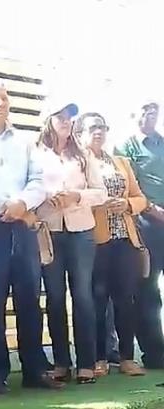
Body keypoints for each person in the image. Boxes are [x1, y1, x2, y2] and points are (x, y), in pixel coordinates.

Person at [0, 81, 64, 393]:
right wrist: (5, 206)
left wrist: (21, 203)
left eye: (4, 99)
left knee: (30, 301)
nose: (1, 104)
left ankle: (34, 369)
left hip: (23, 228)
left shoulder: (24, 141)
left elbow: (37, 180)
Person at [37, 101, 108, 385]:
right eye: (61, 116)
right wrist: (49, 198)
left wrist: (77, 196)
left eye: (69, 117)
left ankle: (86, 363)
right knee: (54, 297)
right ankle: (61, 362)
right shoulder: (35, 153)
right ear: (48, 120)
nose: (66, 121)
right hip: (50, 230)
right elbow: (31, 188)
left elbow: (100, 192)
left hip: (81, 231)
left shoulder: (82, 154)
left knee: (82, 295)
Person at [75, 112, 147, 377]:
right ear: (80, 133)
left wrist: (127, 204)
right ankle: (99, 357)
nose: (99, 132)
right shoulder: (78, 163)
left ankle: (127, 357)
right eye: (93, 127)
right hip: (95, 239)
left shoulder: (121, 162)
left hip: (125, 238)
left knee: (126, 298)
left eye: (103, 127)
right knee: (97, 298)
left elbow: (140, 198)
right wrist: (99, 202)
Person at [114, 101, 164, 369]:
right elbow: (129, 186)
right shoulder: (126, 147)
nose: (150, 114)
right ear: (134, 114)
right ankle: (155, 353)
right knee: (148, 290)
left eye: (154, 110)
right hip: (146, 223)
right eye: (145, 110)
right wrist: (154, 210)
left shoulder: (162, 143)